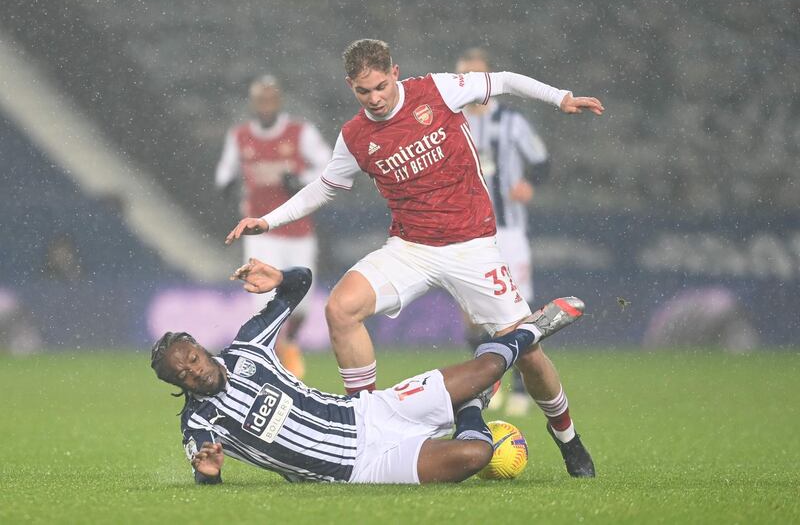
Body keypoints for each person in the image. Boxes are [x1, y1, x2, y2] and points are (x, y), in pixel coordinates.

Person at [225, 39, 603, 477]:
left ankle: (569, 440)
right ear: (351, 86)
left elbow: (501, 81)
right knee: (340, 309)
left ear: (395, 72)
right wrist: (267, 221)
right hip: (411, 248)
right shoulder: (355, 137)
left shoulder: (437, 91)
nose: (376, 98)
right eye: (364, 92)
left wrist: (561, 98)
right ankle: (364, 425)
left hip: (471, 246)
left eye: (382, 86)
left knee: (529, 352)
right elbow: (325, 186)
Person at [150, 258, 585, 484]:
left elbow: (300, 282)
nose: (193, 372)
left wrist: (279, 276)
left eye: (192, 358)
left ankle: (532, 330)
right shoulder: (199, 421)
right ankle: (469, 408)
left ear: (201, 348)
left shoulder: (248, 347)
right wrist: (207, 475)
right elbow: (206, 467)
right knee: (476, 456)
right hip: (360, 469)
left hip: (371, 413)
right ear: (177, 386)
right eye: (181, 375)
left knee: (488, 366)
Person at [215, 74, 332, 378]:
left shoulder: (299, 132)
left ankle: (289, 342)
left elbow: (327, 163)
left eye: (270, 99)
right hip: (259, 232)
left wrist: (301, 180)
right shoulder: (240, 136)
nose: (266, 105)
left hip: (298, 230)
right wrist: (229, 186)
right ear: (253, 103)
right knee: (264, 298)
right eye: (260, 100)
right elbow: (225, 172)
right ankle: (267, 356)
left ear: (278, 101)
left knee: (302, 302)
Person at [454, 48, 551, 417]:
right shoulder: (451, 121)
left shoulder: (512, 121)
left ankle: (522, 389)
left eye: (478, 76)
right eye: (465, 76)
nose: (472, 84)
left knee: (519, 309)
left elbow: (542, 162)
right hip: (466, 233)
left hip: (508, 230)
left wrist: (529, 182)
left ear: (489, 80)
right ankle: (486, 383)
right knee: (472, 313)